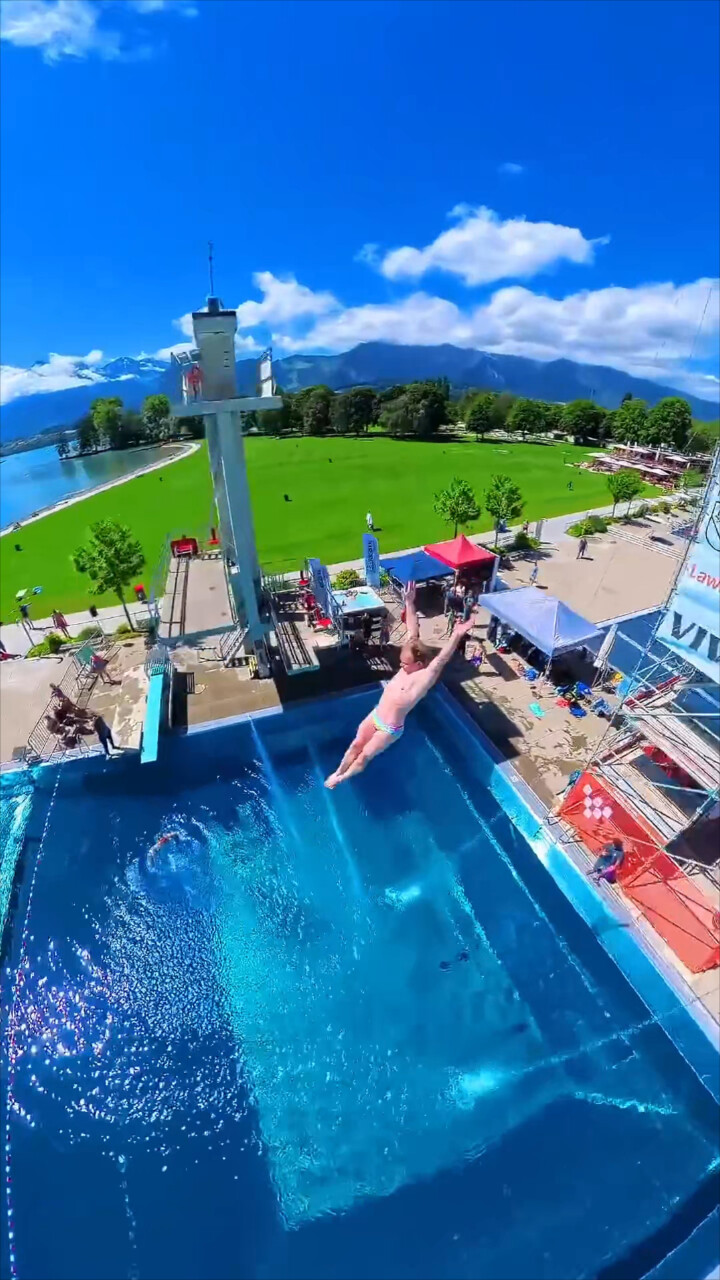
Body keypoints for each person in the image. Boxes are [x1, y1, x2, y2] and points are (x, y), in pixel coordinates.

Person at [325, 583, 475, 788]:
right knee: (355, 745)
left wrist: (456, 635)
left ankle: (341, 779)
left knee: (362, 758)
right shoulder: (410, 657)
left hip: (390, 728)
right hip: (376, 714)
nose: (401, 666)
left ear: (419, 664)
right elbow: (413, 628)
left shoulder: (423, 678)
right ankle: (338, 771)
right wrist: (409, 602)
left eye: (405, 663)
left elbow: (440, 660)